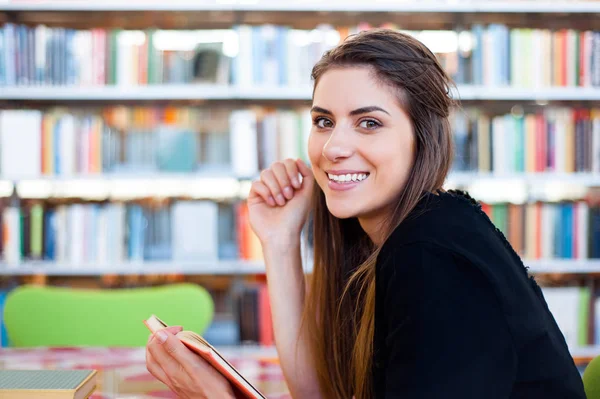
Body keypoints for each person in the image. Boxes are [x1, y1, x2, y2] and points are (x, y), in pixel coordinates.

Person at [145, 29, 587, 399]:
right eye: (323, 121)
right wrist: (280, 243)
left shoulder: (431, 255)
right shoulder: (386, 238)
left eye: (369, 123)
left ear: (422, 139)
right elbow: (319, 392)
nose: (334, 147)